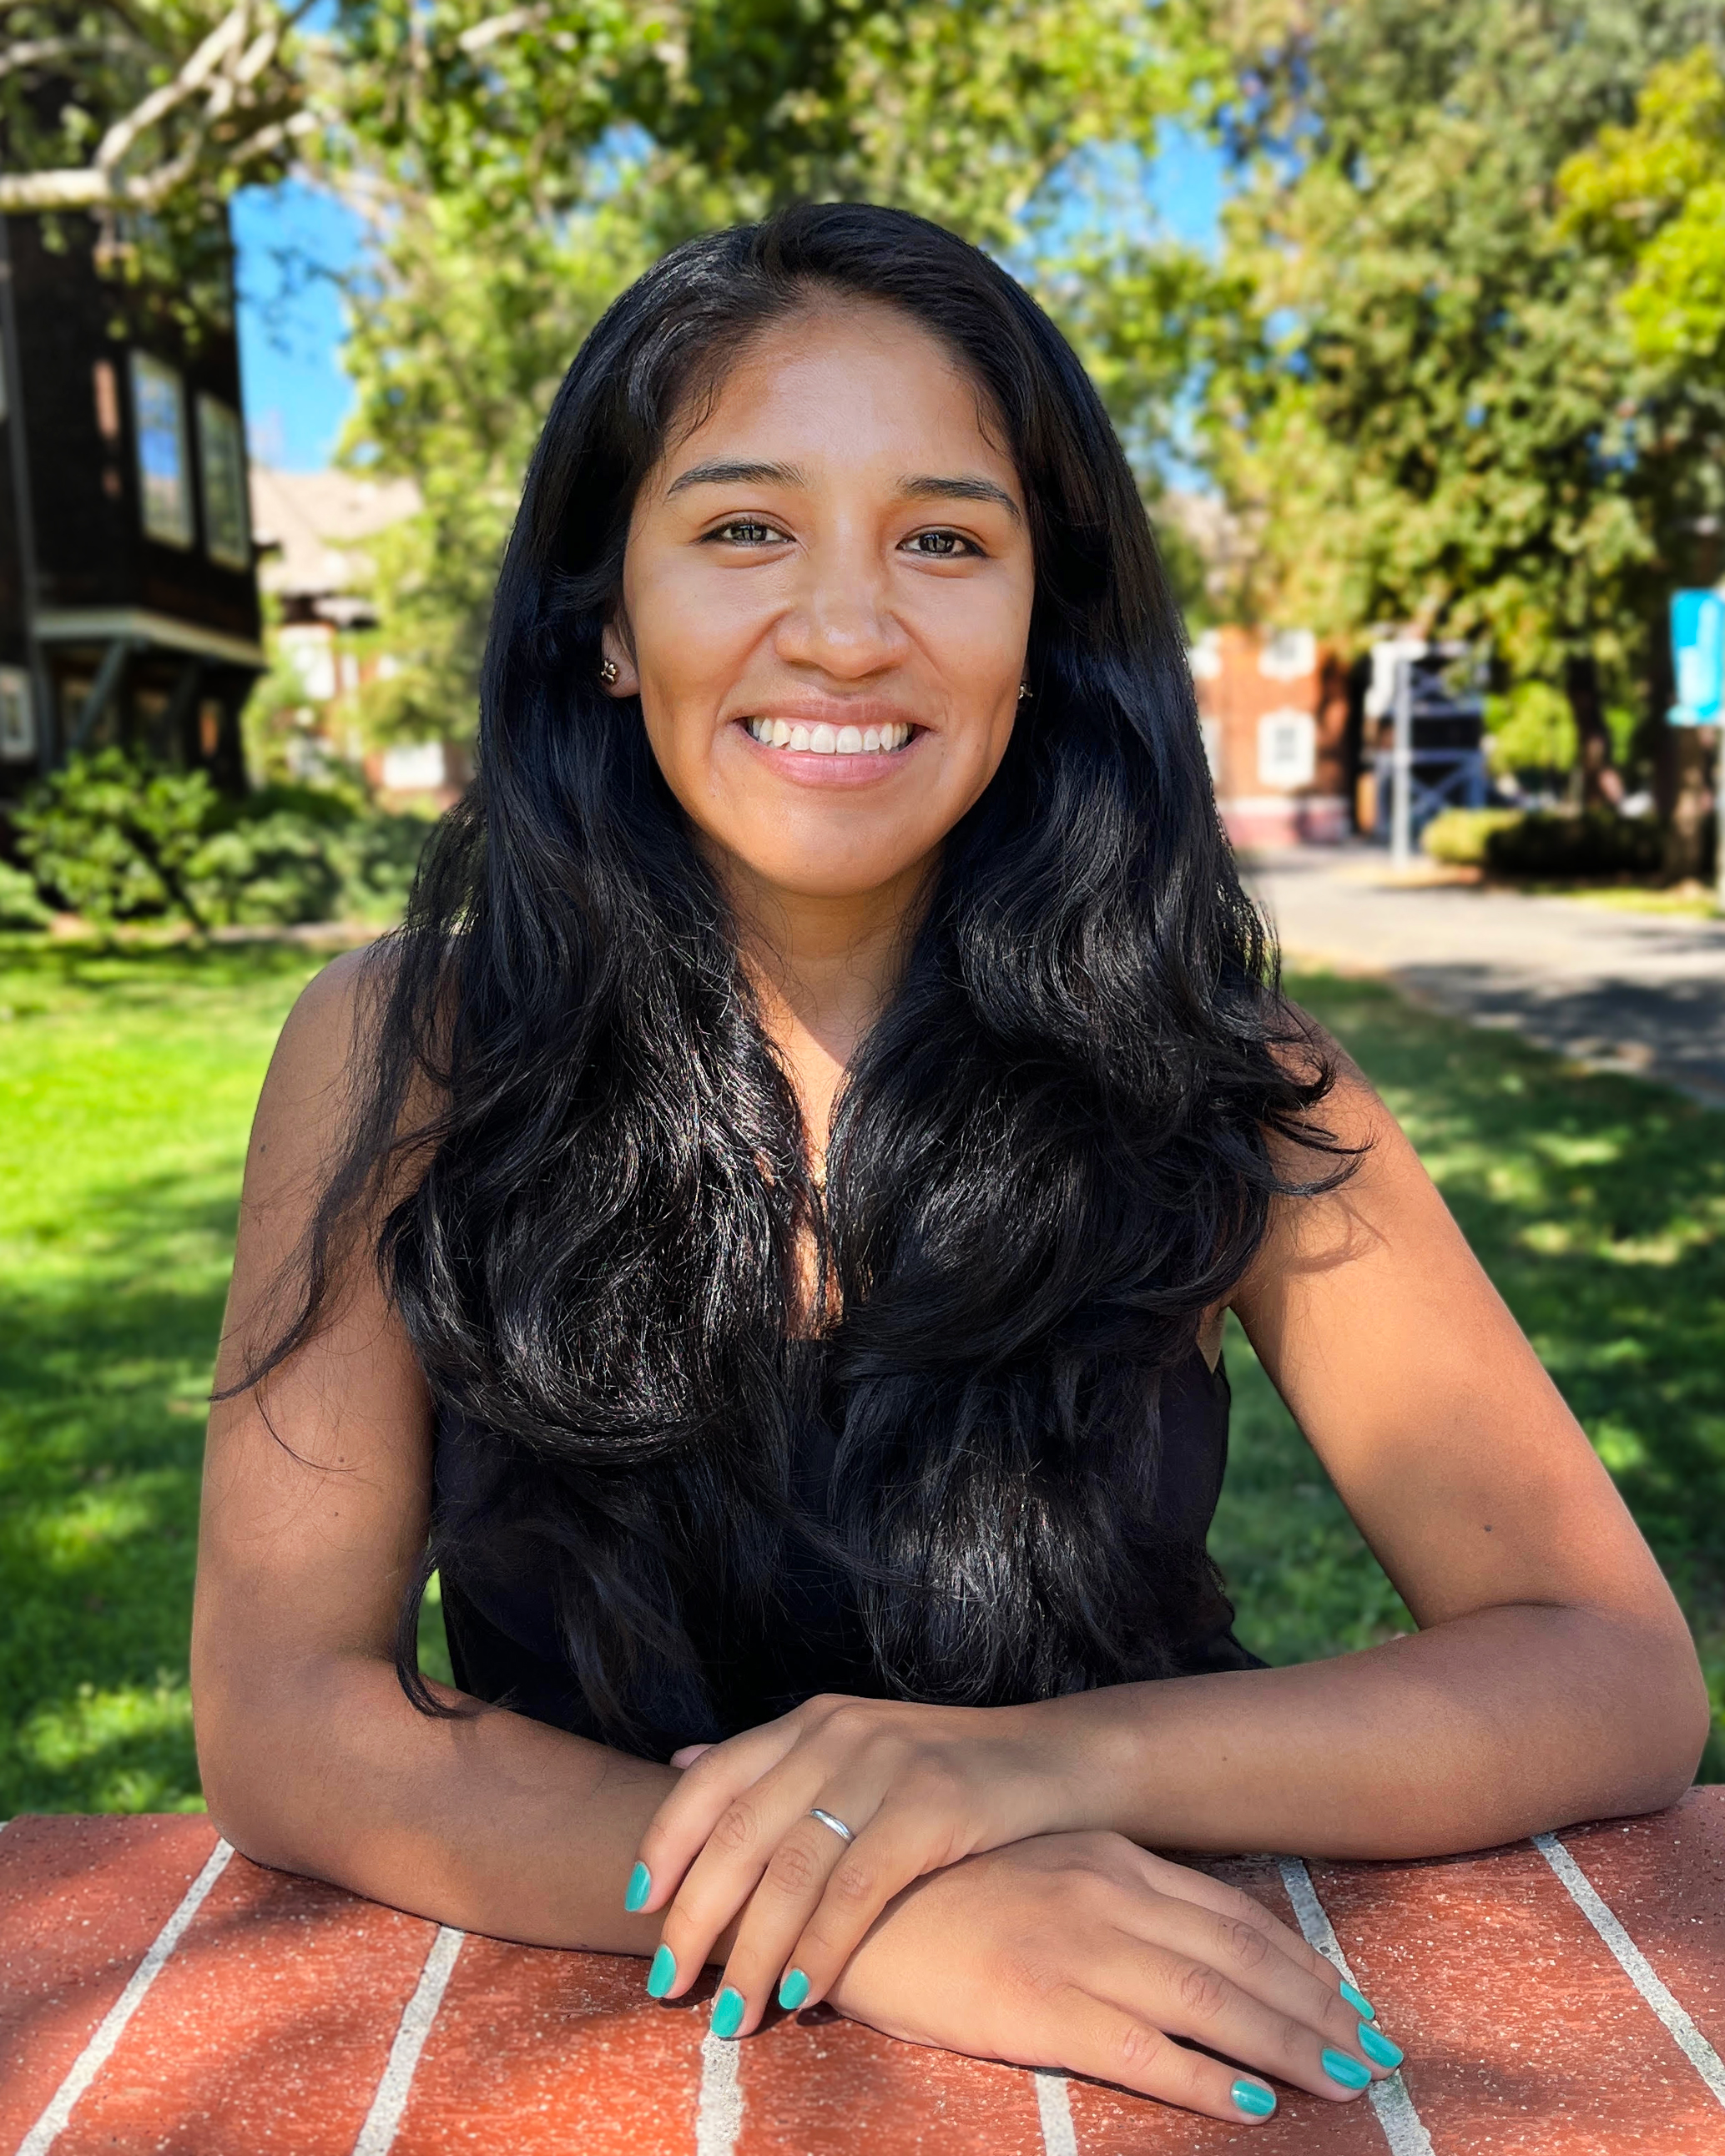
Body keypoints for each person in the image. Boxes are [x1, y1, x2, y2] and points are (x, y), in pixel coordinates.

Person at [192, 204, 1707, 2128]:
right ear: (600, 619)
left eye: (943, 539)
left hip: (1162, 2028)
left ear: (1036, 628)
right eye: (743, 527)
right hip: (615, 2039)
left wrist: (1017, 1772)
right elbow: (284, 1715)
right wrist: (860, 1911)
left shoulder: (1230, 1076)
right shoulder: (402, 1046)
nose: (844, 623)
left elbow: (1608, 1671)